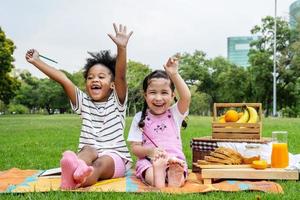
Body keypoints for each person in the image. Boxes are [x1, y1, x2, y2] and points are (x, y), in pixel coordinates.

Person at [25, 23, 133, 189]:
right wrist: (36, 61)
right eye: (90, 78)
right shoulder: (84, 102)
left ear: (112, 85)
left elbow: (120, 76)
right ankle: (74, 170)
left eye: (101, 77)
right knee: (87, 150)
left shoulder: (117, 101)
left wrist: (121, 48)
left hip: (115, 157)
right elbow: (63, 79)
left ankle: (80, 177)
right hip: (90, 152)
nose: (95, 80)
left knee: (98, 165)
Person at [127, 56, 191, 188]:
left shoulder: (175, 114)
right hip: (149, 162)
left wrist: (174, 74)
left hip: (174, 160)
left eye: (164, 92)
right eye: (152, 92)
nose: (158, 98)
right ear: (145, 95)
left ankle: (172, 178)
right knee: (149, 173)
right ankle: (158, 176)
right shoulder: (140, 117)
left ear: (173, 95)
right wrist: (151, 152)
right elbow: (135, 148)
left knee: (178, 172)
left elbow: (186, 96)